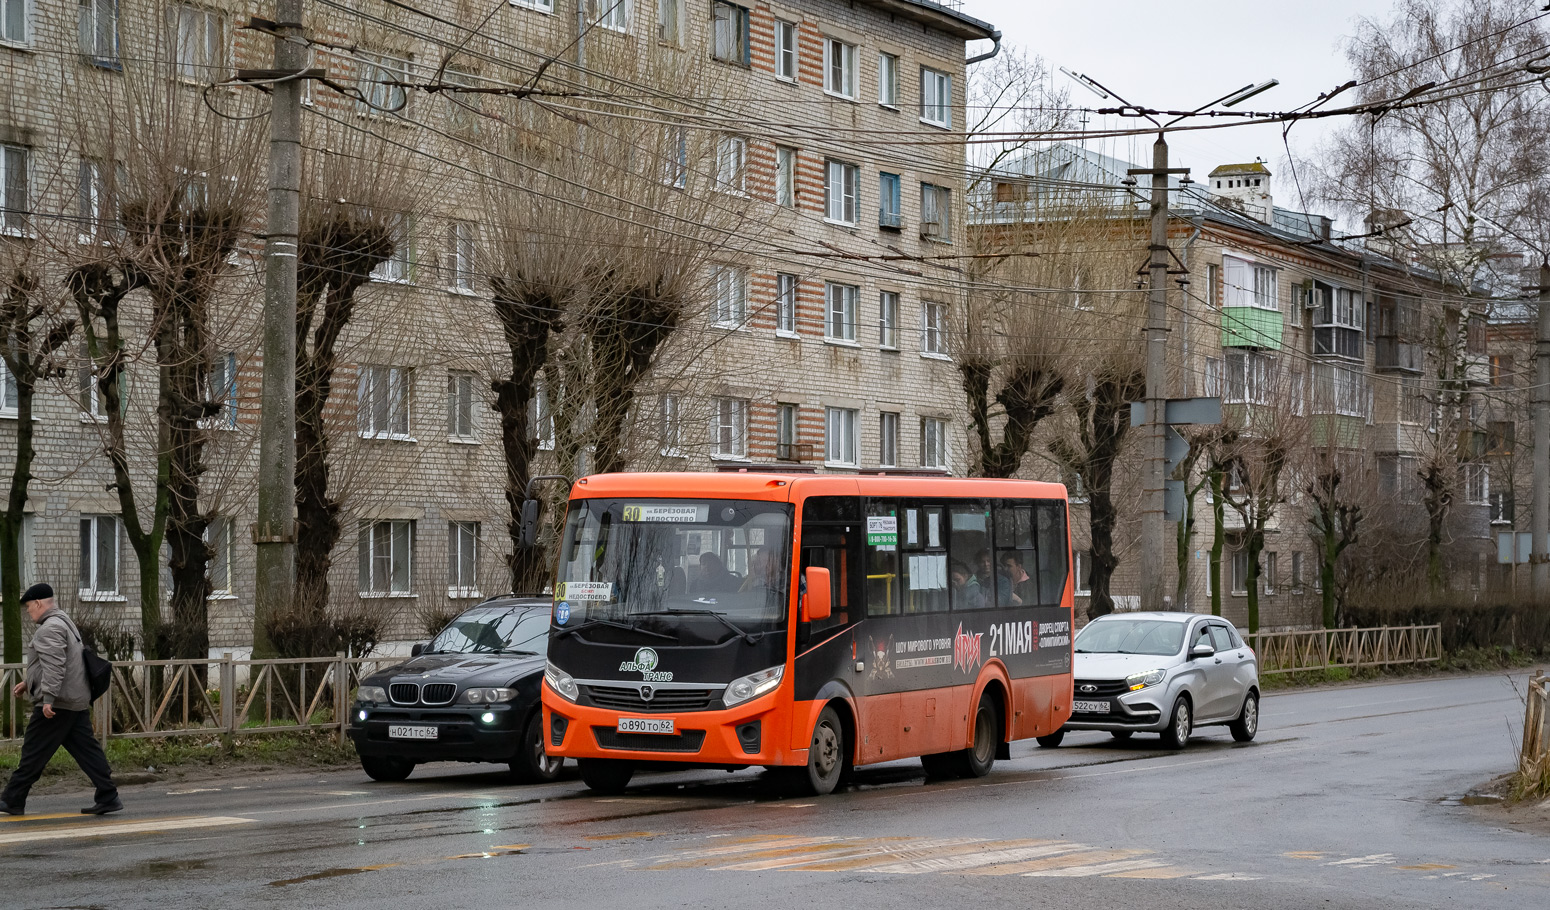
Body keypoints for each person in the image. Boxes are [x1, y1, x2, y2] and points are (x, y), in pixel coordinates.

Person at [0, 584, 121, 817]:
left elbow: (55, 666)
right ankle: (109, 795)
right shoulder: (64, 621)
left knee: (33, 750)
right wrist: (29, 682)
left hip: (59, 703)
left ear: (38, 604)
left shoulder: (49, 628)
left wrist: (48, 699)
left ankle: (13, 799)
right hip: (75, 699)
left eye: (28, 607)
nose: (28, 612)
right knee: (87, 750)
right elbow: (61, 661)